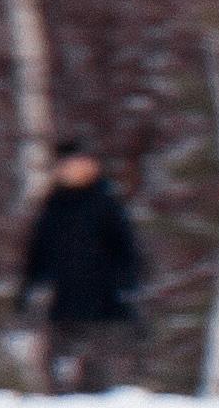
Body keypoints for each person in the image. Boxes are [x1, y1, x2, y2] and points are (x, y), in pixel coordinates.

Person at [16, 142, 145, 395]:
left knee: (99, 372)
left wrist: (126, 285)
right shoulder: (53, 206)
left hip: (104, 300)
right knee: (59, 367)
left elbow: (126, 250)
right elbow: (39, 252)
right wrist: (29, 288)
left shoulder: (106, 204)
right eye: (67, 166)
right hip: (63, 300)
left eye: (80, 165)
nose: (74, 171)